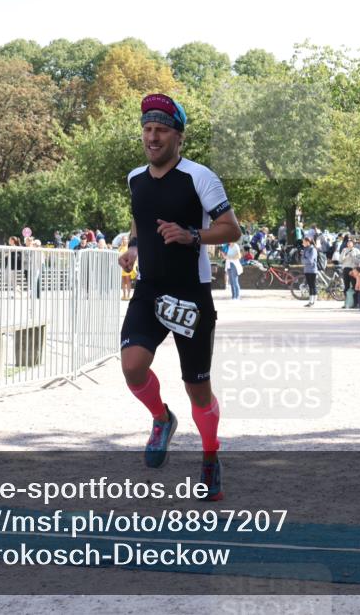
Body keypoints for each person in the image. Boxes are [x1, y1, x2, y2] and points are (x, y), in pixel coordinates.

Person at [118, 93, 240, 501]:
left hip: (191, 294)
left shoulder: (200, 177)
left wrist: (192, 235)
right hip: (149, 289)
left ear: (178, 137)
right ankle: (161, 418)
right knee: (132, 366)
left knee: (197, 389)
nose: (152, 137)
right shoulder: (135, 178)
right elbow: (139, 217)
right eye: (147, 129)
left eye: (161, 131)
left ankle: (210, 457)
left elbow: (231, 229)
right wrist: (134, 247)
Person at [302, 236, 319, 307]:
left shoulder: (312, 249)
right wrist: (305, 259)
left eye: (304, 242)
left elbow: (310, 260)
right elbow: (302, 260)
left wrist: (304, 259)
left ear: (308, 242)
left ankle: (313, 301)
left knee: (312, 285)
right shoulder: (305, 249)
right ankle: (310, 301)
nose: (303, 243)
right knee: (309, 285)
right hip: (306, 269)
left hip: (312, 270)